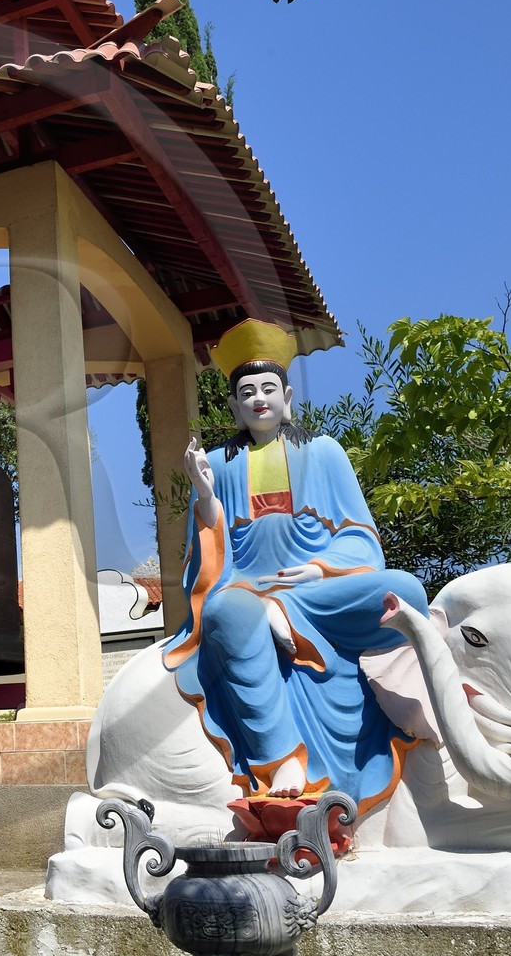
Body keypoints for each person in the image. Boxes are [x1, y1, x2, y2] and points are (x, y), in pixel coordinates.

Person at [162, 319, 429, 809]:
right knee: (227, 613)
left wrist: (320, 569)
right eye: (247, 392)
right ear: (233, 406)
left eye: (269, 388)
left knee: (406, 592)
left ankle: (284, 614)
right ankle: (282, 754)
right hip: (246, 589)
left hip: (316, 590)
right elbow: (208, 556)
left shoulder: (323, 452)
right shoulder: (219, 465)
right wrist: (204, 496)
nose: (259, 398)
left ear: (287, 396)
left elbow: (361, 540)